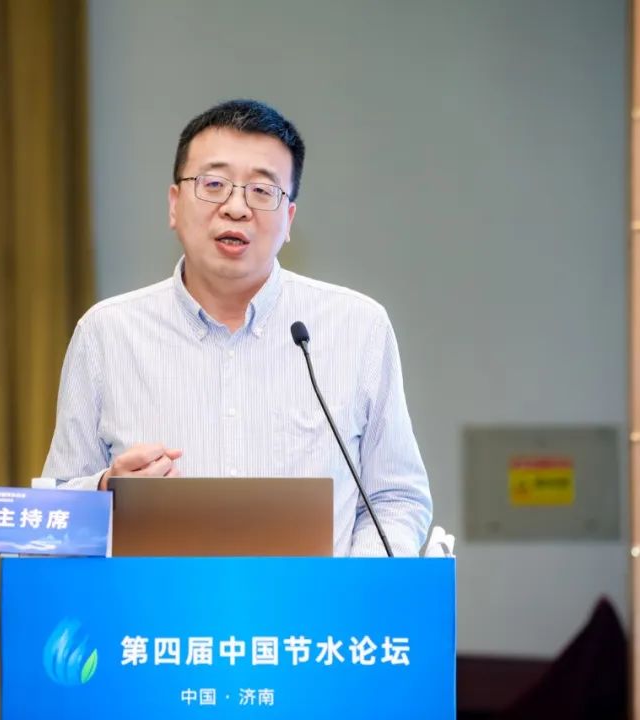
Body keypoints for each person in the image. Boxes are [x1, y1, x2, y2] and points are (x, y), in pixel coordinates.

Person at [39, 99, 431, 556]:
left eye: (262, 191)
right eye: (214, 184)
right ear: (174, 204)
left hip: (315, 603)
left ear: (288, 220)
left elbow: (396, 499)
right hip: (156, 603)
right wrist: (106, 490)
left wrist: (351, 586)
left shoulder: (358, 327)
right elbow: (52, 511)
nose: (237, 207)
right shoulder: (106, 334)